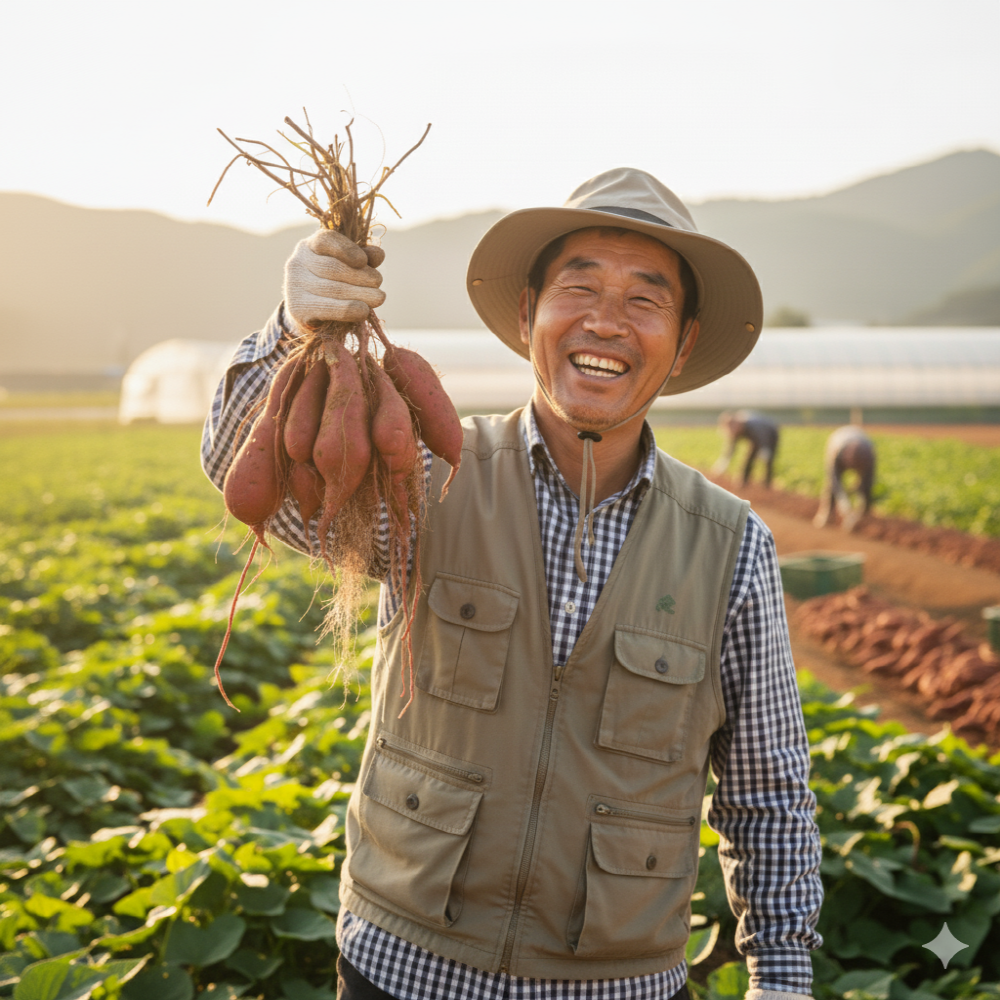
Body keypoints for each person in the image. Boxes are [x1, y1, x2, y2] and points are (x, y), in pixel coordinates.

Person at [202, 168, 823, 999]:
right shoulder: (426, 478)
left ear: (682, 345)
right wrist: (295, 332)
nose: (606, 321)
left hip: (616, 986)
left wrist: (781, 979)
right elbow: (244, 469)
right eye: (580, 287)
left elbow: (766, 791)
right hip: (405, 972)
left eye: (645, 299)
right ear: (529, 314)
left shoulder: (731, 546)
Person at [813, 425, 876, 531]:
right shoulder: (836, 454)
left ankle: (863, 517)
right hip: (837, 444)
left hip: (861, 444)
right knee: (831, 486)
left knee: (866, 488)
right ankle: (826, 513)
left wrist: (861, 497)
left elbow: (868, 482)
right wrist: (845, 506)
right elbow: (835, 482)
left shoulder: (869, 455)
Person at [713, 410, 780, 486]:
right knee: (749, 457)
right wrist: (722, 464)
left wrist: (765, 450)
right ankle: (743, 481)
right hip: (757, 436)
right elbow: (730, 450)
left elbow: (763, 439)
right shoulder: (735, 429)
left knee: (768, 459)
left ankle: (767, 482)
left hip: (770, 433)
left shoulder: (753, 428)